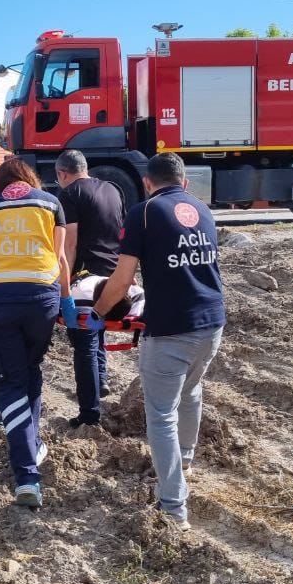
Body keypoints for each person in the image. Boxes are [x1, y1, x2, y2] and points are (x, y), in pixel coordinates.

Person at [92, 153, 225, 530]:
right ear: (184, 183)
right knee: (192, 390)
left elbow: (120, 281)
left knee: (161, 414)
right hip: (212, 323)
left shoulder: (144, 212)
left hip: (170, 328)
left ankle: (173, 507)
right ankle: (186, 458)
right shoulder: (203, 209)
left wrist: (97, 314)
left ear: (148, 184)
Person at [0, 158, 74, 508]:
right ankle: (31, 445)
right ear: (30, 178)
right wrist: (67, 301)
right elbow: (60, 257)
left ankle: (26, 476)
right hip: (40, 296)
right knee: (31, 369)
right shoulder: (50, 203)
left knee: (12, 382)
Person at [55, 150, 124, 427]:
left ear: (62, 174)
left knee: (83, 343)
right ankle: (102, 378)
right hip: (113, 277)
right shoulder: (113, 189)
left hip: (85, 279)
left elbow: (69, 244)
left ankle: (89, 415)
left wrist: (65, 284)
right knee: (99, 329)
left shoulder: (70, 194)